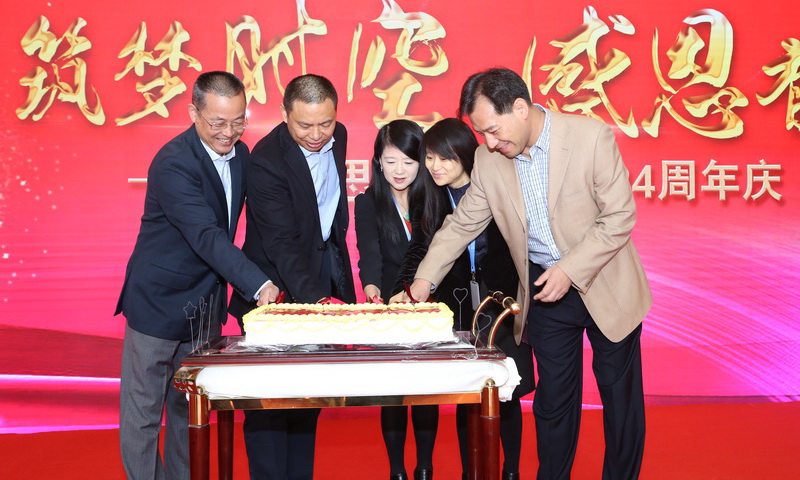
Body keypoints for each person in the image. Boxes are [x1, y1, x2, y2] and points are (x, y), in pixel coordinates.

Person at [401, 68, 652, 480]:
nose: (489, 143)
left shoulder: (590, 138)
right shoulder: (489, 160)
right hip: (544, 289)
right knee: (554, 401)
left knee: (618, 398)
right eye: (481, 133)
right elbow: (462, 224)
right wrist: (424, 280)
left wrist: (569, 269)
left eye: (493, 130)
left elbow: (619, 217)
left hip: (607, 281)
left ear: (520, 108)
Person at [115, 71, 279, 480]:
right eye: (218, 122)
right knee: (143, 413)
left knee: (189, 409)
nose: (229, 132)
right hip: (157, 302)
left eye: (238, 121)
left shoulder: (241, 155)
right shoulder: (173, 163)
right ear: (193, 113)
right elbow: (205, 235)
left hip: (203, 305)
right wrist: (258, 283)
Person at [390, 118, 534, 480]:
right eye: (429, 158)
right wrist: (407, 285)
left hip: (499, 303)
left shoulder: (493, 184)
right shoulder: (429, 194)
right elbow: (419, 247)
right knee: (466, 392)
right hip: (454, 309)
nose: (435, 166)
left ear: (465, 155)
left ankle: (511, 471)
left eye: (445, 158)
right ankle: (471, 472)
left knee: (506, 390)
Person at [229, 73, 356, 480]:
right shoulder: (266, 160)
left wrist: (334, 291)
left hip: (320, 282)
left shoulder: (339, 136)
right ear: (284, 115)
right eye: (305, 125)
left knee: (307, 400)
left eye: (325, 123)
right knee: (269, 405)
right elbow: (281, 244)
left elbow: (330, 218)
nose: (317, 135)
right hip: (274, 294)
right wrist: (318, 302)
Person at [353, 119, 438, 480]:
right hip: (389, 306)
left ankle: (425, 467)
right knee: (395, 394)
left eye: (408, 161)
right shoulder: (368, 202)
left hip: (431, 306)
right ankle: (397, 471)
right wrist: (372, 291)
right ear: (378, 162)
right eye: (390, 161)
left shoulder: (433, 197)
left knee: (427, 392)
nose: (399, 170)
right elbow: (369, 253)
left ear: (421, 161)